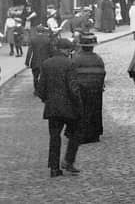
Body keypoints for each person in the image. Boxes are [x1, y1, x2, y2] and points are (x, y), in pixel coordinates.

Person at [37, 38, 84, 177]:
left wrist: (47, 100)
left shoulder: (46, 63)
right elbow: (73, 87)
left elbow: (41, 88)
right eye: (69, 50)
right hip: (69, 107)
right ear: (66, 50)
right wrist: (79, 104)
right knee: (75, 134)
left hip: (52, 107)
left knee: (54, 137)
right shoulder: (70, 64)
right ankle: (68, 161)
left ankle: (54, 168)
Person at [73, 32, 106, 143]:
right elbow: (102, 73)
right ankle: (95, 134)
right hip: (96, 88)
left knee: (82, 111)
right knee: (95, 110)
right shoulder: (98, 58)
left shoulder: (76, 59)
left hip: (81, 89)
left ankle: (83, 135)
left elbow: (72, 75)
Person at [26, 24, 53, 96]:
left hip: (35, 61)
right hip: (45, 61)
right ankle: (44, 90)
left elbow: (29, 52)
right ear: (43, 31)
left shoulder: (33, 39)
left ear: (36, 31)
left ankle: (36, 90)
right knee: (45, 76)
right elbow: (51, 51)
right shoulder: (48, 39)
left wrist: (27, 62)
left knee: (35, 77)